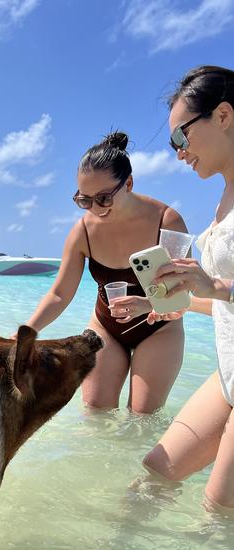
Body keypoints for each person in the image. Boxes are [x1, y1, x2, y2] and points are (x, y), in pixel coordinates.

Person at [18, 132, 189, 413]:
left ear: (129, 183)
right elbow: (60, 293)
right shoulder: (83, 231)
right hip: (106, 327)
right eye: (85, 200)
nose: (95, 209)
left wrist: (147, 304)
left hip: (160, 328)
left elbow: (182, 295)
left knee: (143, 417)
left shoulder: (166, 220)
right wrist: (28, 332)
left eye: (104, 198)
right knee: (95, 414)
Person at [141, 65, 234, 509]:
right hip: (228, 374)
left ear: (223, 116)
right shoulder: (224, 196)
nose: (179, 152)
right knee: (157, 473)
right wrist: (175, 304)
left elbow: (224, 289)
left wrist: (216, 284)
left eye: (181, 136)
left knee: (217, 514)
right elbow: (225, 304)